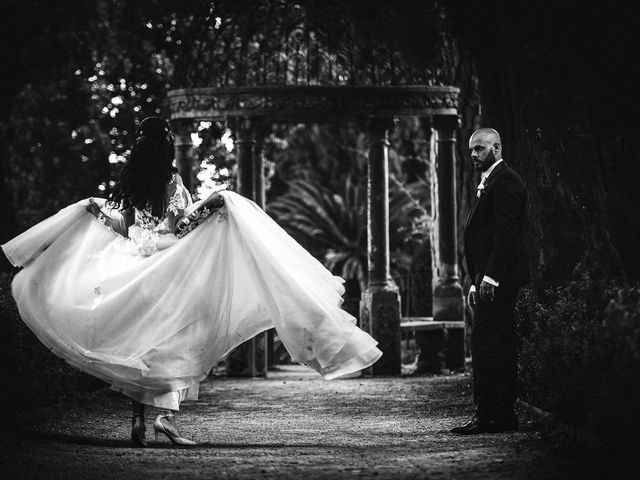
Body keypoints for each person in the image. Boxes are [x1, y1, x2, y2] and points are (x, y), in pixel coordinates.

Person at [1, 116, 382, 447]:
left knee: (143, 341)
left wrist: (97, 212)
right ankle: (164, 418)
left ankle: (139, 420)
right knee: (178, 336)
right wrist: (213, 208)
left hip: (132, 263)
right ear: (167, 148)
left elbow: (127, 227)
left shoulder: (130, 182)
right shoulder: (170, 179)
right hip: (167, 262)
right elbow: (175, 226)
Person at [451, 128, 529, 435]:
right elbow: (484, 238)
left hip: (500, 279)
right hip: (489, 278)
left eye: (479, 149)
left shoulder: (505, 180)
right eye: (472, 150)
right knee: (500, 343)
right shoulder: (490, 180)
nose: (473, 155)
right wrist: (476, 280)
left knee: (483, 344)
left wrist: (491, 278)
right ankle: (503, 415)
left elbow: (506, 234)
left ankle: (487, 415)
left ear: (496, 148)